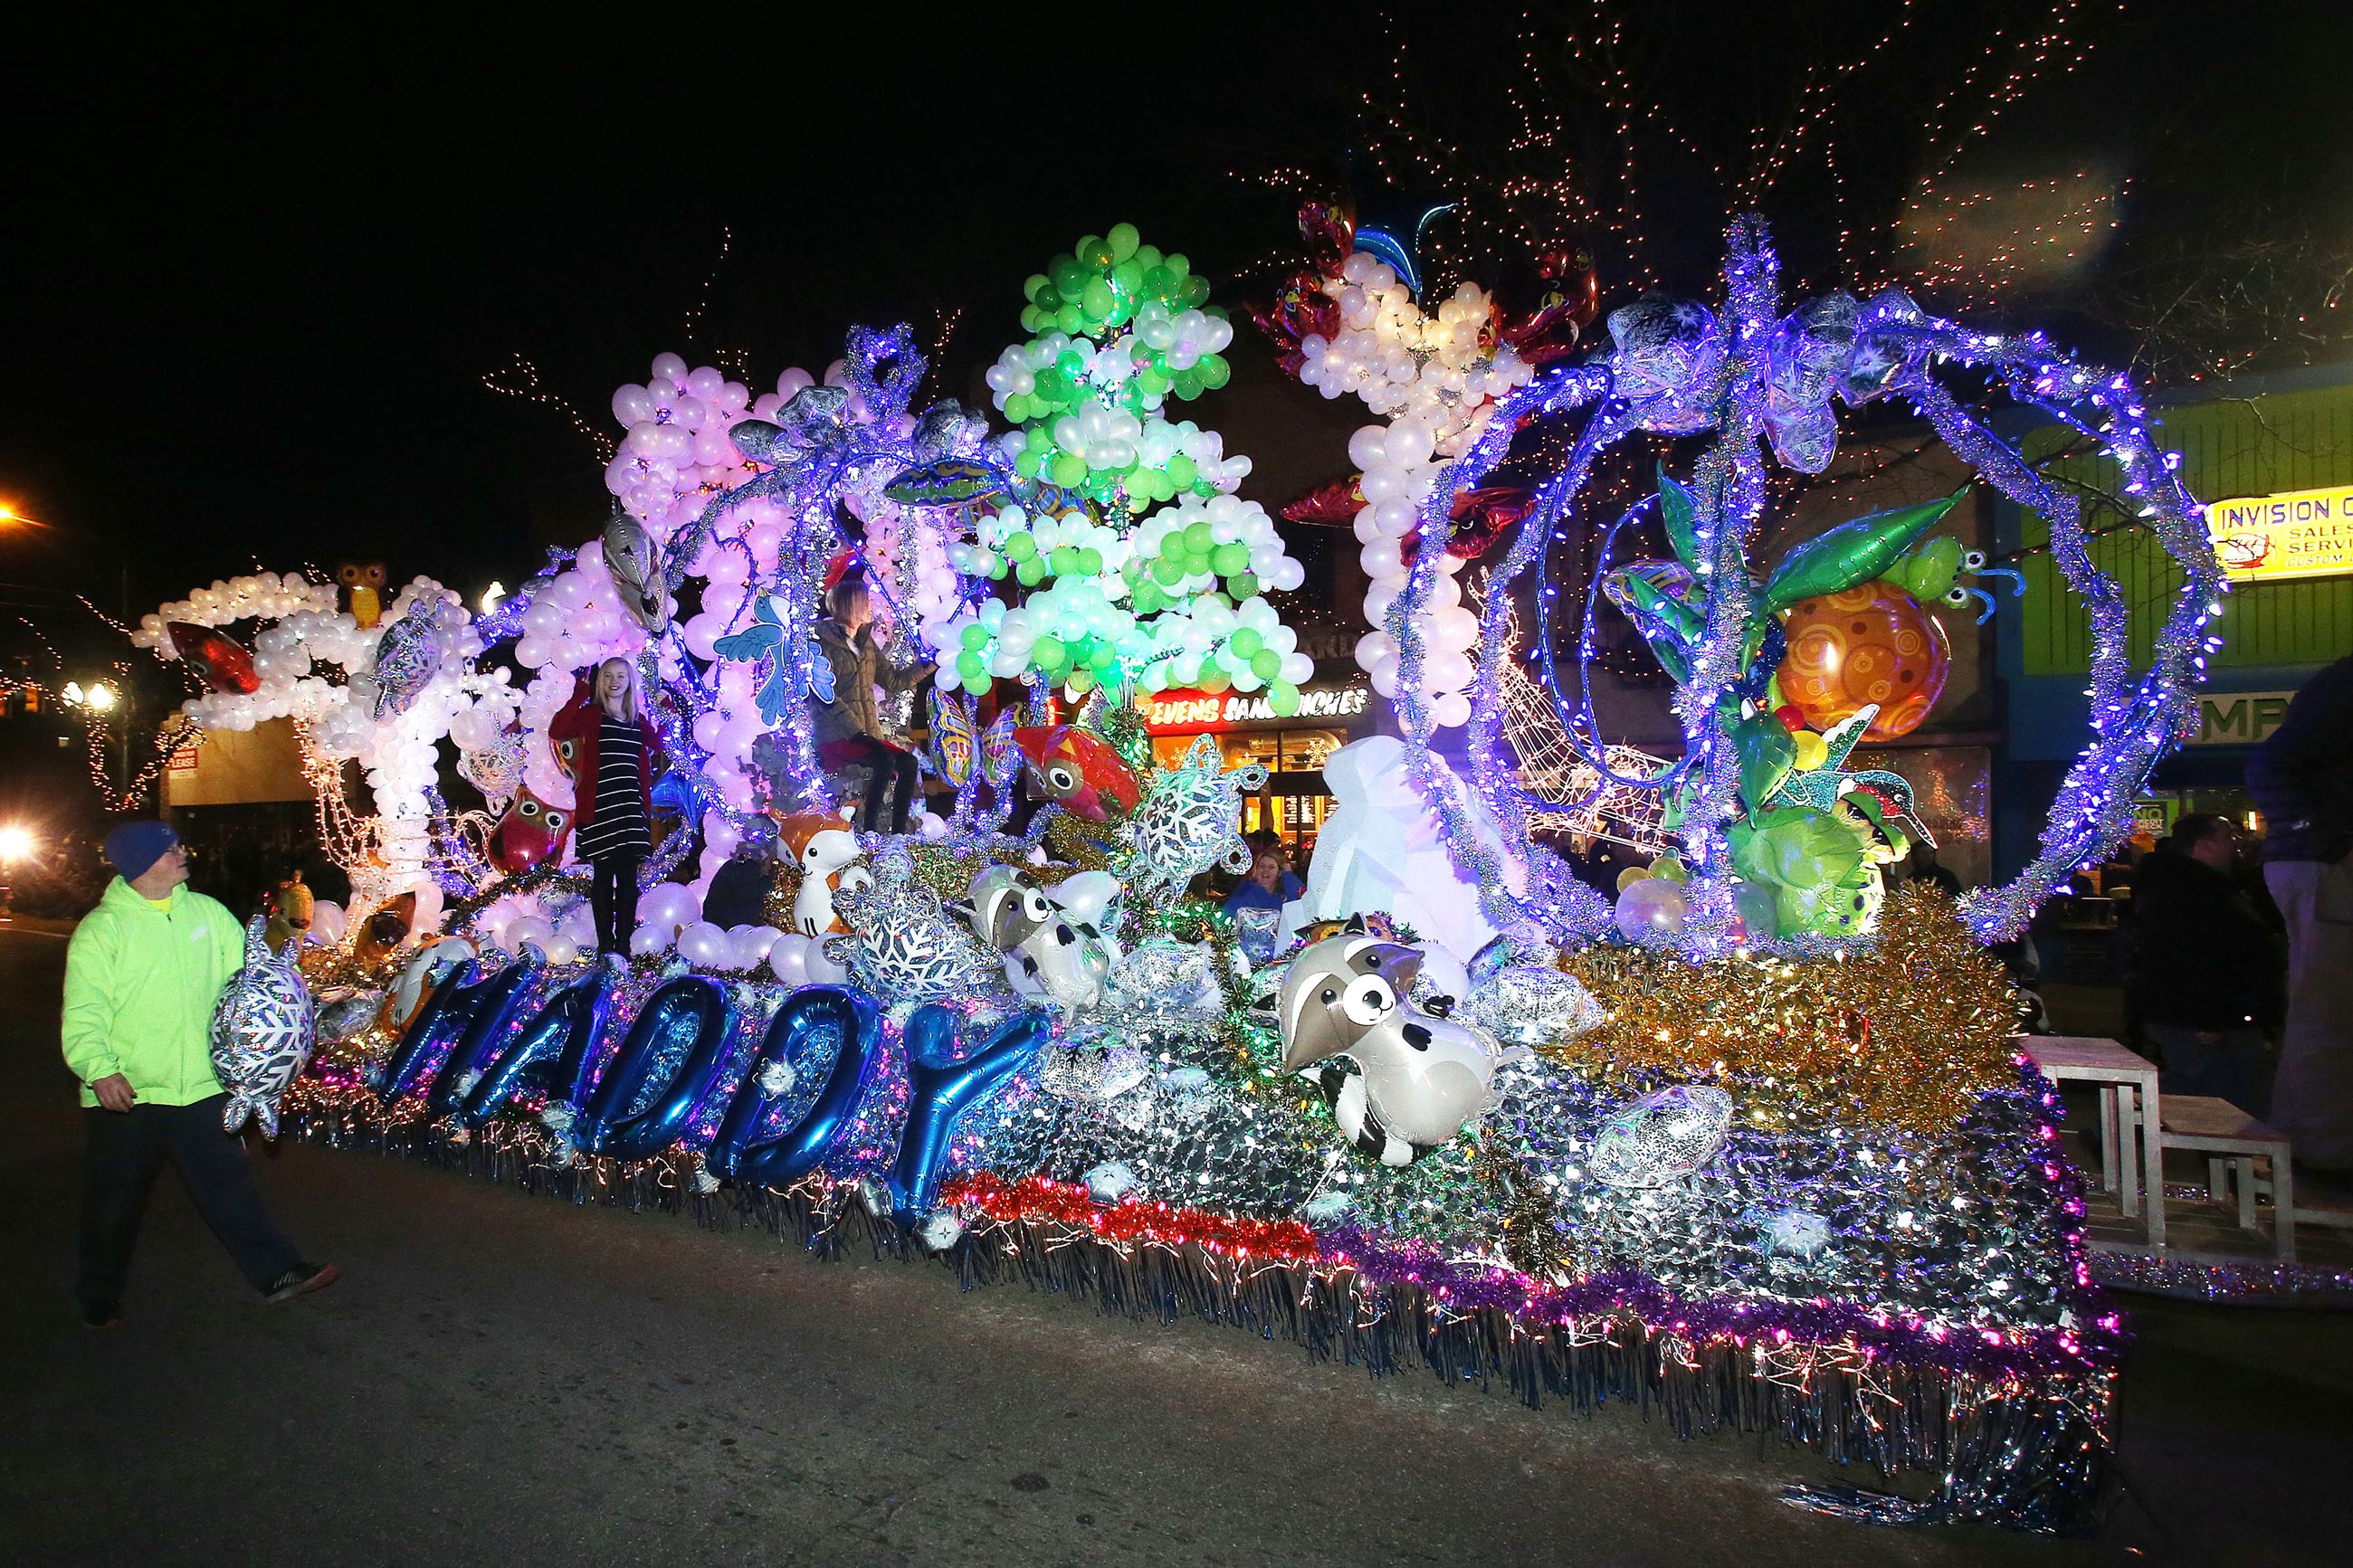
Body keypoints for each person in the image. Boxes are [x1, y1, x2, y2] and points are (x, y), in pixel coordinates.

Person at [62, 822, 338, 1327]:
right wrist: (100, 1071)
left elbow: (251, 980)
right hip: (129, 1096)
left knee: (228, 1186)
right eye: (170, 851)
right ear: (142, 864)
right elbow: (84, 1013)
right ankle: (97, 1297)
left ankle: (278, 1273)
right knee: (114, 1205)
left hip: (204, 1089)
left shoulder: (208, 915)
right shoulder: (103, 930)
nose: (183, 854)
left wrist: (295, 996)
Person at [2248, 653, 2353, 1169]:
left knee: (2324, 1006)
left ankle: (2311, 1141)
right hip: (2325, 860)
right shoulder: (2342, 689)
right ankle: (2323, 1150)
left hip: (2316, 856)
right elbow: (2275, 762)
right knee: (2331, 1009)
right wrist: (2326, 840)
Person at [2128, 814, 2282, 1113]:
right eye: (2227, 838)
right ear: (2203, 846)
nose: (2234, 845)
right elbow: (2189, 956)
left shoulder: (2205, 886)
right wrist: (2207, 1017)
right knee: (2216, 1091)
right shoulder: (2188, 891)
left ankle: (2122, 1129)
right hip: (2208, 1013)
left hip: (2219, 1010)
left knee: (2209, 1088)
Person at [551, 657, 667, 955]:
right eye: (608, 676)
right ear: (600, 682)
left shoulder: (636, 720)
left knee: (628, 881)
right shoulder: (591, 714)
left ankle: (623, 946)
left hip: (630, 808)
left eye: (621, 676)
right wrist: (580, 691)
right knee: (603, 878)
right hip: (601, 807)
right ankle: (606, 947)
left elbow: (659, 743)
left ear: (629, 682)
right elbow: (558, 730)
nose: (614, 681)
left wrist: (667, 712)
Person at [814, 575, 925, 835]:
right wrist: (857, 733)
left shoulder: (865, 643)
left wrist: (929, 664)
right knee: (884, 760)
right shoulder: (822, 643)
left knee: (907, 764)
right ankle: (870, 831)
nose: (870, 607)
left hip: (865, 735)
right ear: (849, 605)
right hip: (838, 735)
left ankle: (898, 833)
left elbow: (894, 680)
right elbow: (825, 696)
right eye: (865, 602)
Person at [1224, 841, 1302, 920]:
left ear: (1280, 872)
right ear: (1256, 869)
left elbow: (1301, 898)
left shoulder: (1284, 895)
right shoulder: (1243, 894)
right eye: (1262, 866)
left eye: (1271, 867)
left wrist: (1288, 876)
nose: (1265, 871)